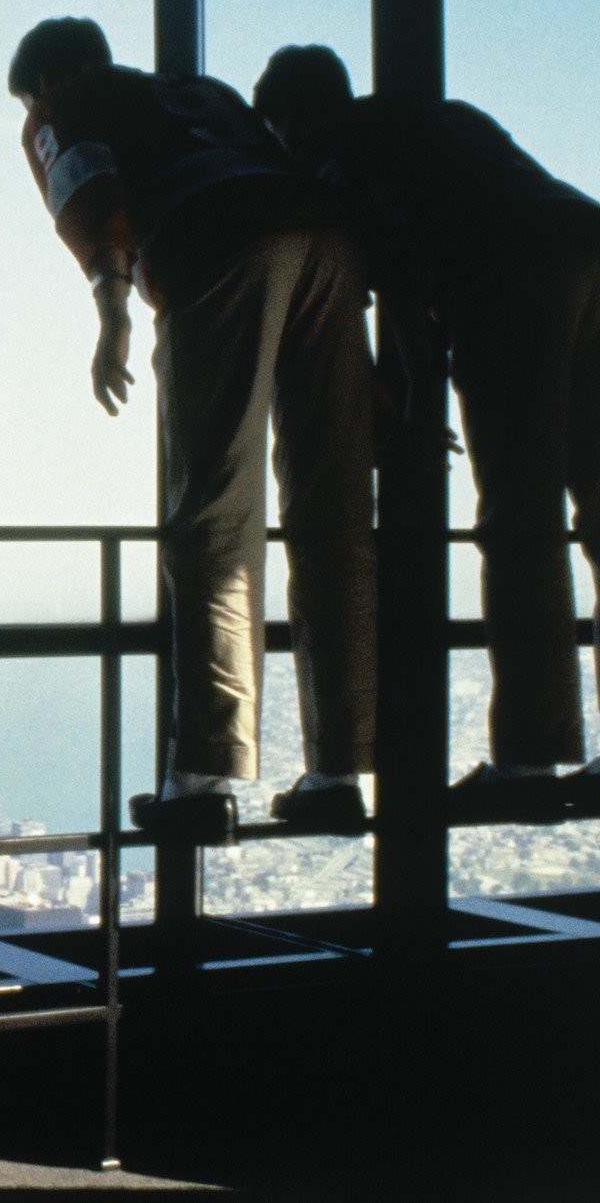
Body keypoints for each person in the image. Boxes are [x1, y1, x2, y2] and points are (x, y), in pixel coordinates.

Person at [9, 17, 378, 844]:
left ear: (43, 82)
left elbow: (86, 191)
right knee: (336, 514)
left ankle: (205, 776)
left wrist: (111, 312)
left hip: (218, 241)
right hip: (329, 242)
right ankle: (339, 770)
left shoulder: (66, 102)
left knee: (214, 512)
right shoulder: (202, 93)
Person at [255, 45, 600, 826]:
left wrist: (417, 405)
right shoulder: (444, 120)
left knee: (520, 517)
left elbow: (408, 274)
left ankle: (529, 758)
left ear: (289, 123)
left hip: (512, 282)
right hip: (588, 240)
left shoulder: (339, 165)